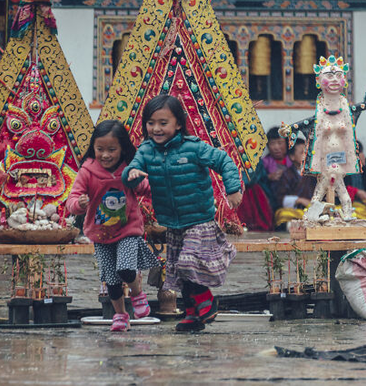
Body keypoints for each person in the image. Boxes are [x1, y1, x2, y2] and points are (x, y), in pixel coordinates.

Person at [123, 95, 242, 332]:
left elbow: (224, 161)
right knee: (178, 269)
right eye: (150, 123)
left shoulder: (194, 147)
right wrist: (132, 174)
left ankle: (207, 300)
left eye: (163, 123)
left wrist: (233, 189)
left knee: (189, 263)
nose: (156, 128)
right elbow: (130, 171)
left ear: (178, 124)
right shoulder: (145, 151)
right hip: (173, 223)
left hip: (199, 219)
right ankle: (192, 314)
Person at [65, 120, 159, 332]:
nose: (105, 155)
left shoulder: (130, 168)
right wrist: (78, 204)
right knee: (112, 281)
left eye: (111, 150)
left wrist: (142, 181)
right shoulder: (87, 170)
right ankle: (120, 315)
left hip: (128, 231)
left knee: (125, 268)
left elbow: (146, 188)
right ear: (93, 148)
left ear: (122, 149)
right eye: (100, 149)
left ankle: (137, 294)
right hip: (100, 235)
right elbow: (72, 199)